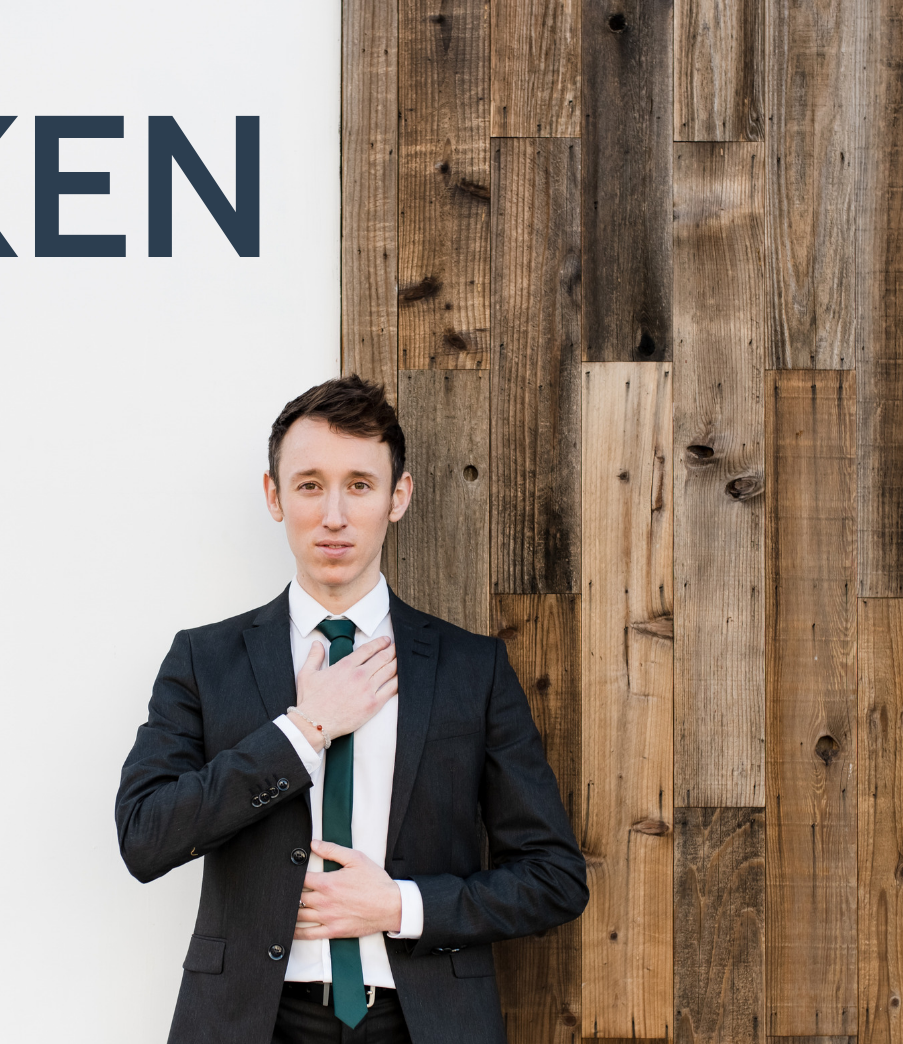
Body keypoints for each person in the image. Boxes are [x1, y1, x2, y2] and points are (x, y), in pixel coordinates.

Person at [115, 376, 587, 1044]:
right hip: (253, 1022)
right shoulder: (205, 660)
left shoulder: (471, 669)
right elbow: (144, 836)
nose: (333, 515)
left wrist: (401, 905)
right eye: (310, 485)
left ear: (399, 496)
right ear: (274, 496)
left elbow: (553, 878)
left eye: (359, 485)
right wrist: (302, 732)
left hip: (423, 1023)